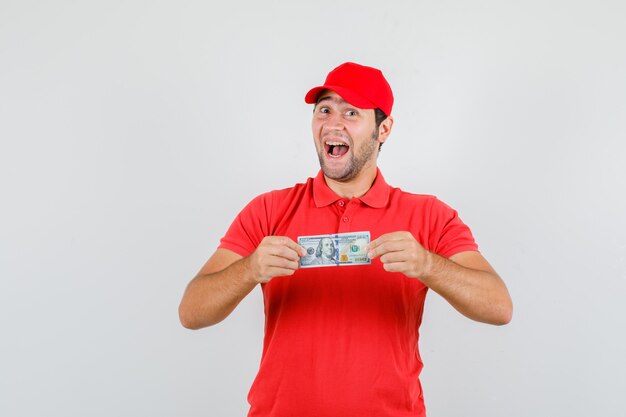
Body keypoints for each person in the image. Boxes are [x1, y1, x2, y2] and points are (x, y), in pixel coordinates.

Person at [179, 62, 513, 417]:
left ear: (383, 129)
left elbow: (498, 307)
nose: (333, 123)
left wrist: (429, 264)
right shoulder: (268, 210)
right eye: (324, 110)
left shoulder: (430, 215)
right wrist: (249, 269)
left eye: (351, 112)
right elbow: (191, 312)